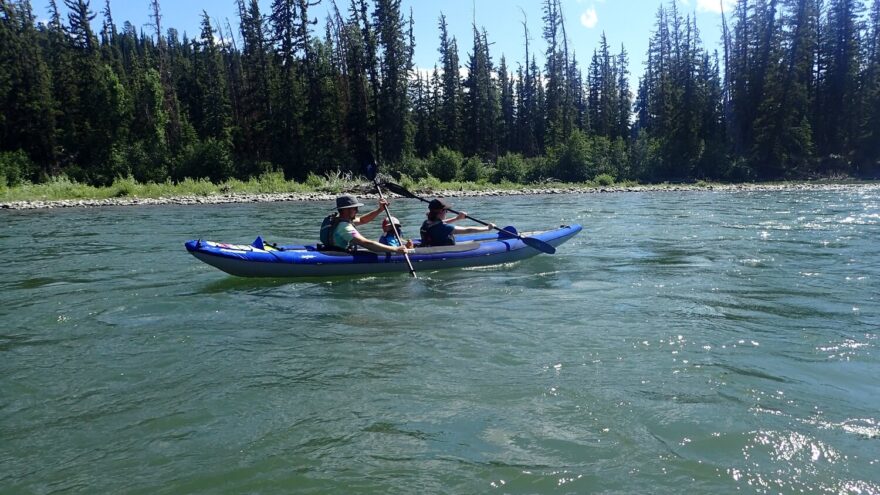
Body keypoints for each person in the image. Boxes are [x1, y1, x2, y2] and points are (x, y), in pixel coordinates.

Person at [320, 194, 412, 254]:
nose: (357, 210)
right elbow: (366, 243)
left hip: (332, 249)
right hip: (340, 255)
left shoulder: (336, 220)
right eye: (355, 208)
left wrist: (380, 210)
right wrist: (396, 249)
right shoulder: (345, 227)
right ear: (345, 210)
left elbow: (362, 220)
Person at [419, 198, 495, 247]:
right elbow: (468, 230)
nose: (447, 212)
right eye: (446, 211)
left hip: (430, 246)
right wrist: (487, 228)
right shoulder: (445, 228)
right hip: (442, 252)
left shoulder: (426, 222)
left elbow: (441, 222)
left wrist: (457, 218)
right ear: (441, 211)